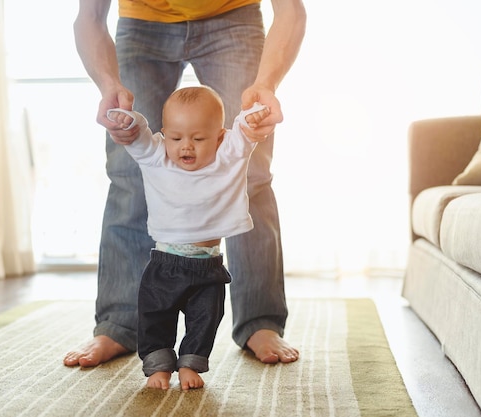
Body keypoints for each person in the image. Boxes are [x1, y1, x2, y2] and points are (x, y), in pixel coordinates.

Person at [64, 0, 306, 369]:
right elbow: (90, 16)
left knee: (251, 171)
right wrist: (109, 85)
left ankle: (260, 321)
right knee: (128, 171)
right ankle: (117, 323)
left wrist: (265, 84)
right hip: (142, 21)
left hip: (234, 17)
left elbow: (290, 10)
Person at [107, 85, 271, 390]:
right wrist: (126, 120)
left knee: (205, 319)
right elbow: (139, 136)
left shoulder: (227, 157)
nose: (186, 147)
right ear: (164, 134)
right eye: (176, 137)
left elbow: (244, 132)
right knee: (155, 315)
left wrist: (252, 116)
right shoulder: (157, 157)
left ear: (219, 138)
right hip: (165, 263)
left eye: (198, 139)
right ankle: (158, 367)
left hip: (208, 266)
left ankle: (190, 364)